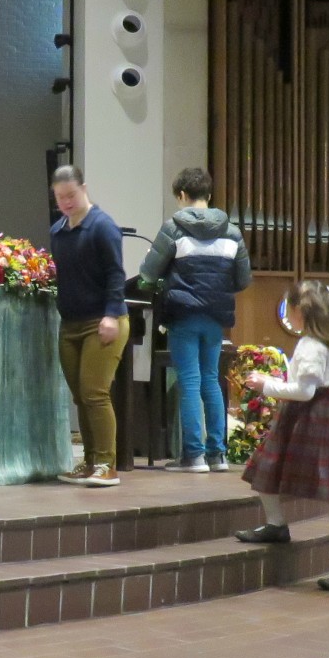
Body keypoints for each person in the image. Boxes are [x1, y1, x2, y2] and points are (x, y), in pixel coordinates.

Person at [236, 280, 329, 593]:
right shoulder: (328, 337)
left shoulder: (313, 343)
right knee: (266, 466)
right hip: (311, 414)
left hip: (315, 416)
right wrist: (272, 380)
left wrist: (265, 385)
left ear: (299, 311)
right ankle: (275, 525)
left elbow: (304, 390)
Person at [136, 166, 251, 472]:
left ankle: (193, 456)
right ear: (209, 196)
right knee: (211, 380)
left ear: (183, 195)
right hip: (216, 318)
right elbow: (243, 280)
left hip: (183, 315)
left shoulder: (173, 229)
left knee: (189, 381)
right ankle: (217, 455)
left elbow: (147, 275)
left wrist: (161, 282)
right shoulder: (232, 232)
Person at [49, 165, 128, 487]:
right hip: (71, 324)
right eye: (59, 198)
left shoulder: (102, 226)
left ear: (84, 188)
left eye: (71, 195)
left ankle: (107, 464)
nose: (66, 202)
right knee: (81, 396)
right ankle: (90, 460)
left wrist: (110, 314)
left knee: (95, 393)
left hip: (104, 321)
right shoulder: (58, 231)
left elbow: (116, 275)